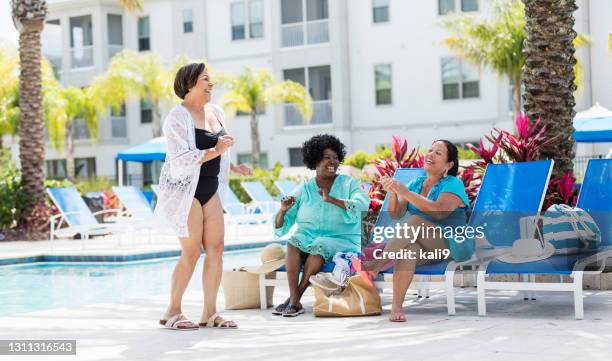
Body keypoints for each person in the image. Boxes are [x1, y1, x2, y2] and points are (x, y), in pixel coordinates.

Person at [154, 63, 251, 330]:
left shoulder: (215, 112)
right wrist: (218, 150)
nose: (211, 84)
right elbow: (180, 161)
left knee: (216, 250)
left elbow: (218, 151)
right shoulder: (177, 117)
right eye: (205, 79)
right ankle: (172, 311)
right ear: (189, 83)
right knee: (191, 252)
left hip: (210, 188)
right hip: (185, 191)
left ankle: (209, 313)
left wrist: (233, 166)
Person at [358, 140, 474, 322]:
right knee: (408, 250)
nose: (431, 155)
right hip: (428, 246)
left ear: (449, 165)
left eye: (438, 153)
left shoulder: (453, 183)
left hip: (452, 243)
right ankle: (396, 306)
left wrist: (405, 192)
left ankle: (375, 265)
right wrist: (394, 192)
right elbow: (396, 213)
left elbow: (439, 212)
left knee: (416, 221)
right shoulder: (417, 183)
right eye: (430, 150)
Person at [273, 134, 370, 317]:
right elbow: (281, 226)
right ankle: (295, 300)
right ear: (315, 160)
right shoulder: (304, 189)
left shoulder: (349, 183)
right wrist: (283, 211)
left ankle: (294, 299)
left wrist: (331, 199)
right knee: (293, 242)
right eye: (327, 157)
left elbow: (362, 205)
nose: (332, 161)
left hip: (341, 240)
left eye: (335, 157)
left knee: (319, 247)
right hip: (308, 238)